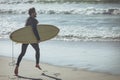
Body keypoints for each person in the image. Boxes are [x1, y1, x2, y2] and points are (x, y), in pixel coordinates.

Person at [14, 7, 42, 76]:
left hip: (26, 38)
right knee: (37, 50)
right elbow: (34, 30)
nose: (36, 13)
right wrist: (38, 38)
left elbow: (27, 30)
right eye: (35, 12)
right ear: (32, 13)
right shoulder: (34, 20)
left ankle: (17, 66)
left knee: (22, 53)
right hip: (32, 39)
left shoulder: (28, 19)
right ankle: (37, 64)